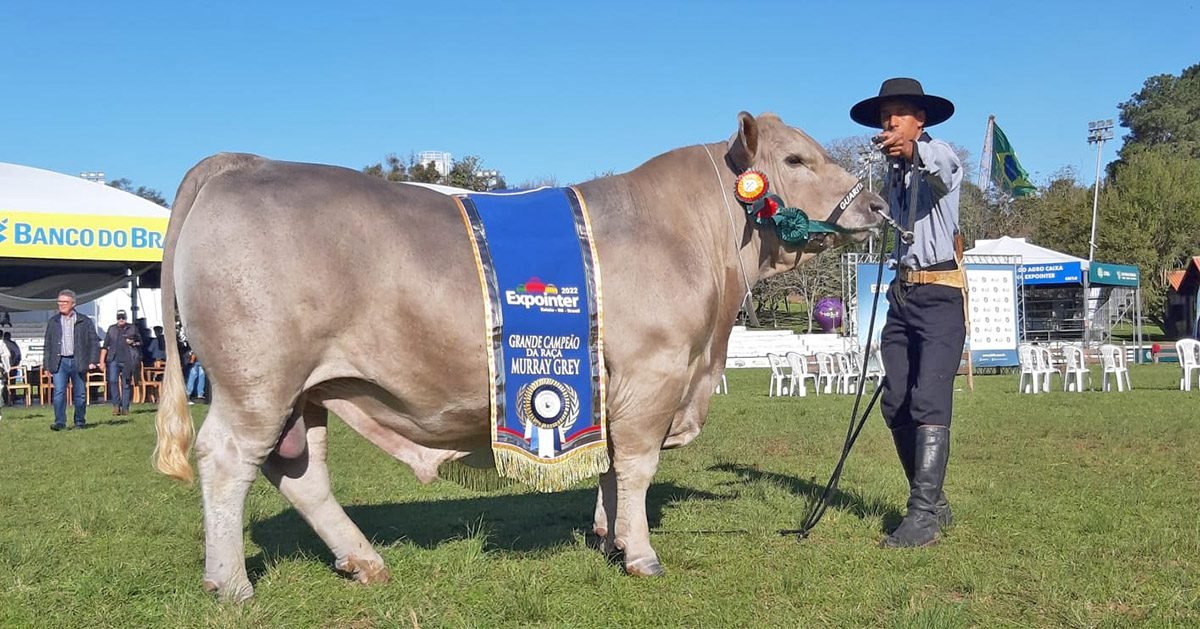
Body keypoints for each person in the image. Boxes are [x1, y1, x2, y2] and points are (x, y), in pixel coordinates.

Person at [850, 78, 964, 548]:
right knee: (895, 400)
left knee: (928, 400)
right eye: (885, 116)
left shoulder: (941, 156)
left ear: (921, 120)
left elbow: (939, 167)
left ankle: (922, 517)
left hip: (940, 296)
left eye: (899, 113)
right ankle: (934, 501)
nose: (890, 121)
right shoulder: (892, 177)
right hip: (902, 296)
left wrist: (914, 149)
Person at [44, 289, 101, 430]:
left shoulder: (84, 321)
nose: (61, 304)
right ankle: (59, 422)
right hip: (60, 362)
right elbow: (48, 345)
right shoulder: (53, 322)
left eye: (65, 302)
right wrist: (46, 366)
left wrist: (93, 360)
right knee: (59, 393)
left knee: (80, 394)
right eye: (59, 301)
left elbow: (94, 341)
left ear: (73, 303)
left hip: (78, 361)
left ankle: (80, 422)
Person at [99, 310, 141, 416]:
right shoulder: (112, 329)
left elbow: (140, 342)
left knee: (126, 384)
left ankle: (125, 408)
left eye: (123, 317)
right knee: (113, 381)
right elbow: (105, 346)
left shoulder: (133, 328)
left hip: (128, 359)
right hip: (113, 359)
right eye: (119, 317)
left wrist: (133, 342)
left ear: (126, 318)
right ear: (116, 318)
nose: (121, 319)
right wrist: (102, 361)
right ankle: (116, 406)